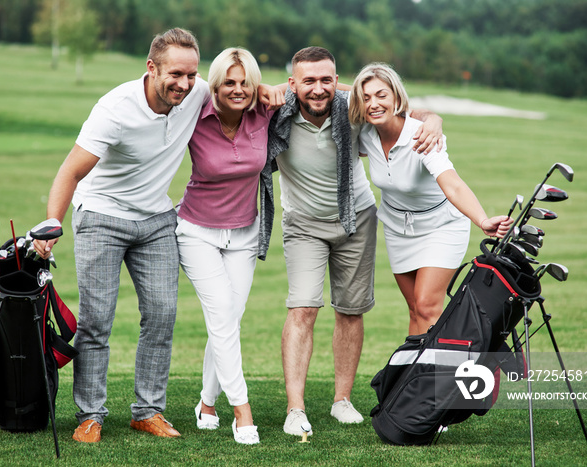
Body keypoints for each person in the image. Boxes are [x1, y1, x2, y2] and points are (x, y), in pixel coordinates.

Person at [32, 29, 283, 444]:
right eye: (175, 74)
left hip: (157, 220)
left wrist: (269, 89)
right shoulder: (115, 109)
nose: (183, 83)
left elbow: (241, 88)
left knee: (163, 315)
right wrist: (52, 222)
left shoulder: (199, 92)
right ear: (151, 68)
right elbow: (71, 171)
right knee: (97, 320)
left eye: (190, 74)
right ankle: (90, 415)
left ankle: (147, 410)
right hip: (102, 216)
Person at [260, 47, 444, 436]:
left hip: (356, 220)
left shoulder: (353, 108)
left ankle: (341, 400)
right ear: (292, 83)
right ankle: (295, 409)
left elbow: (407, 112)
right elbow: (241, 98)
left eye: (327, 79)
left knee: (350, 310)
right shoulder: (277, 113)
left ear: (337, 80)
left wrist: (435, 120)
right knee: (303, 308)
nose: (319, 88)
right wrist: (270, 90)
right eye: (308, 81)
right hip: (303, 224)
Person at [348, 62, 512, 336]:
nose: (373, 104)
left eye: (381, 95)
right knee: (415, 309)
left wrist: (482, 220)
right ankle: (418, 375)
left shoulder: (422, 135)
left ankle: (437, 376)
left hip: (441, 226)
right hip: (398, 230)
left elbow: (453, 185)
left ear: (397, 97)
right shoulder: (365, 134)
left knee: (427, 306)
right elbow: (337, 91)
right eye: (365, 98)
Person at [176, 47, 282, 445]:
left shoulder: (265, 111)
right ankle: (242, 410)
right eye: (228, 83)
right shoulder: (194, 113)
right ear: (214, 85)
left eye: (245, 82)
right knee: (222, 314)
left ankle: (206, 402)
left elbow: (324, 90)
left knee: (227, 322)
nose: (237, 90)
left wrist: (425, 112)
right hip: (196, 232)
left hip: (244, 234)